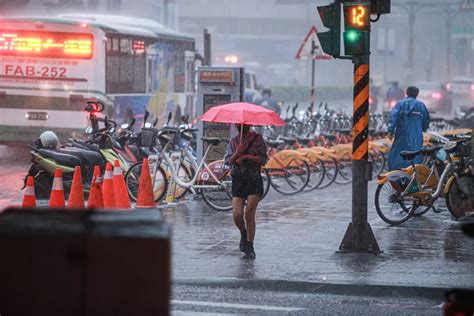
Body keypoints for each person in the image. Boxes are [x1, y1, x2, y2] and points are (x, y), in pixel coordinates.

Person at [224, 124, 268, 260]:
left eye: (244, 125)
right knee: (237, 215)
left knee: (249, 212)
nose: (241, 126)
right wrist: (237, 152)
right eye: (239, 125)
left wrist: (248, 156)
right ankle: (243, 233)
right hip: (239, 180)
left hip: (254, 179)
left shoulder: (258, 139)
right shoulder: (234, 142)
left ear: (249, 125)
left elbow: (263, 160)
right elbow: (228, 161)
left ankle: (250, 246)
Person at [387, 86, 430, 171]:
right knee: (415, 154)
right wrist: (423, 128)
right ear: (417, 94)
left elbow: (393, 118)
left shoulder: (399, 104)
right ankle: (413, 173)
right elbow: (426, 120)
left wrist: (390, 131)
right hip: (416, 135)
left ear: (406, 93)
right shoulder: (421, 105)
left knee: (397, 153)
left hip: (401, 134)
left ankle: (397, 172)